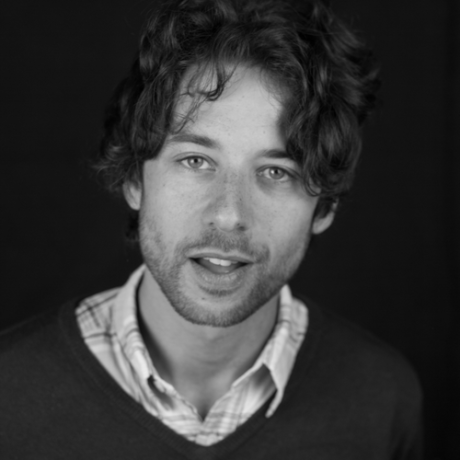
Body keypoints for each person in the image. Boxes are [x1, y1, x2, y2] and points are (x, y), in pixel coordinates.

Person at [0, 0, 422, 458]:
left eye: (277, 172)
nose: (228, 213)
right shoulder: (10, 392)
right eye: (196, 161)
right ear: (135, 179)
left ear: (325, 208)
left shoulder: (382, 399)